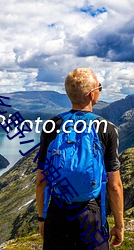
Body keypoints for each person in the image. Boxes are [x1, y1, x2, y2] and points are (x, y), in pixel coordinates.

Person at [36, 68, 124, 250]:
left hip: (58, 214)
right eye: (100, 87)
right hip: (91, 216)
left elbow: (41, 181)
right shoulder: (106, 129)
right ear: (92, 94)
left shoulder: (52, 125)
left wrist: (42, 218)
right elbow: (114, 185)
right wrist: (119, 225)